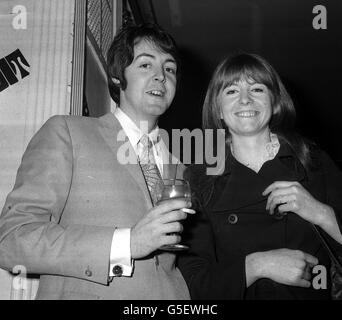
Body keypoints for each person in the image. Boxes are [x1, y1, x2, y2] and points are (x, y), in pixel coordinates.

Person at [0, 23, 193, 300]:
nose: (161, 76)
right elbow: (12, 240)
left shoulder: (181, 167)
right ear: (117, 77)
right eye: (145, 65)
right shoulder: (67, 132)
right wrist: (127, 243)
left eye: (169, 68)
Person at [177, 52, 342, 299]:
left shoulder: (314, 162)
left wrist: (321, 213)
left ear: (275, 103)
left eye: (257, 89)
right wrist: (256, 266)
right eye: (231, 91)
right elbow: (194, 282)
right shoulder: (198, 177)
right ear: (218, 110)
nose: (245, 100)